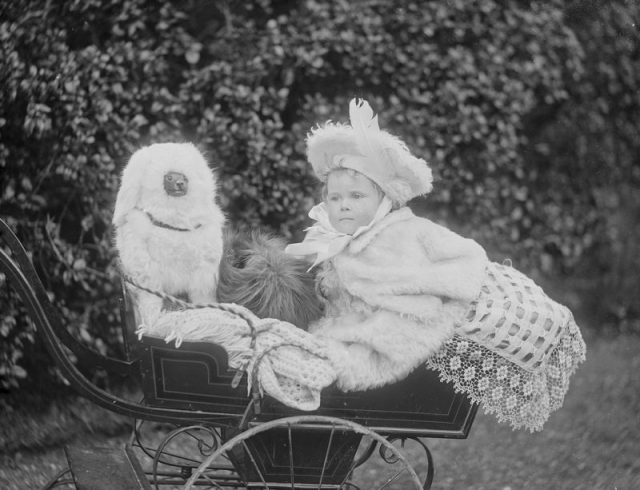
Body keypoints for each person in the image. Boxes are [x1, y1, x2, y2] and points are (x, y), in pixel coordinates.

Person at [285, 98, 586, 431]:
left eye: (356, 197)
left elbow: (449, 267)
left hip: (401, 319)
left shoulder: (402, 233)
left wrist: (371, 320)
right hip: (355, 317)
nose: (343, 206)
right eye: (335, 198)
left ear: (384, 200)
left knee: (359, 344)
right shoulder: (329, 242)